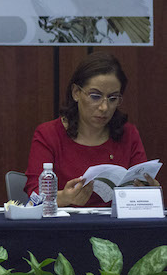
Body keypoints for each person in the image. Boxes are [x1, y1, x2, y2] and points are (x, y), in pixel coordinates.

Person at [24, 51, 158, 207]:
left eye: (113, 98)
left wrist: (149, 192)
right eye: (95, 96)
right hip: (64, 227)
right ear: (76, 93)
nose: (104, 107)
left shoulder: (128, 134)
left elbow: (142, 188)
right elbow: (34, 194)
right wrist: (64, 198)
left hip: (116, 227)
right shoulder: (48, 134)